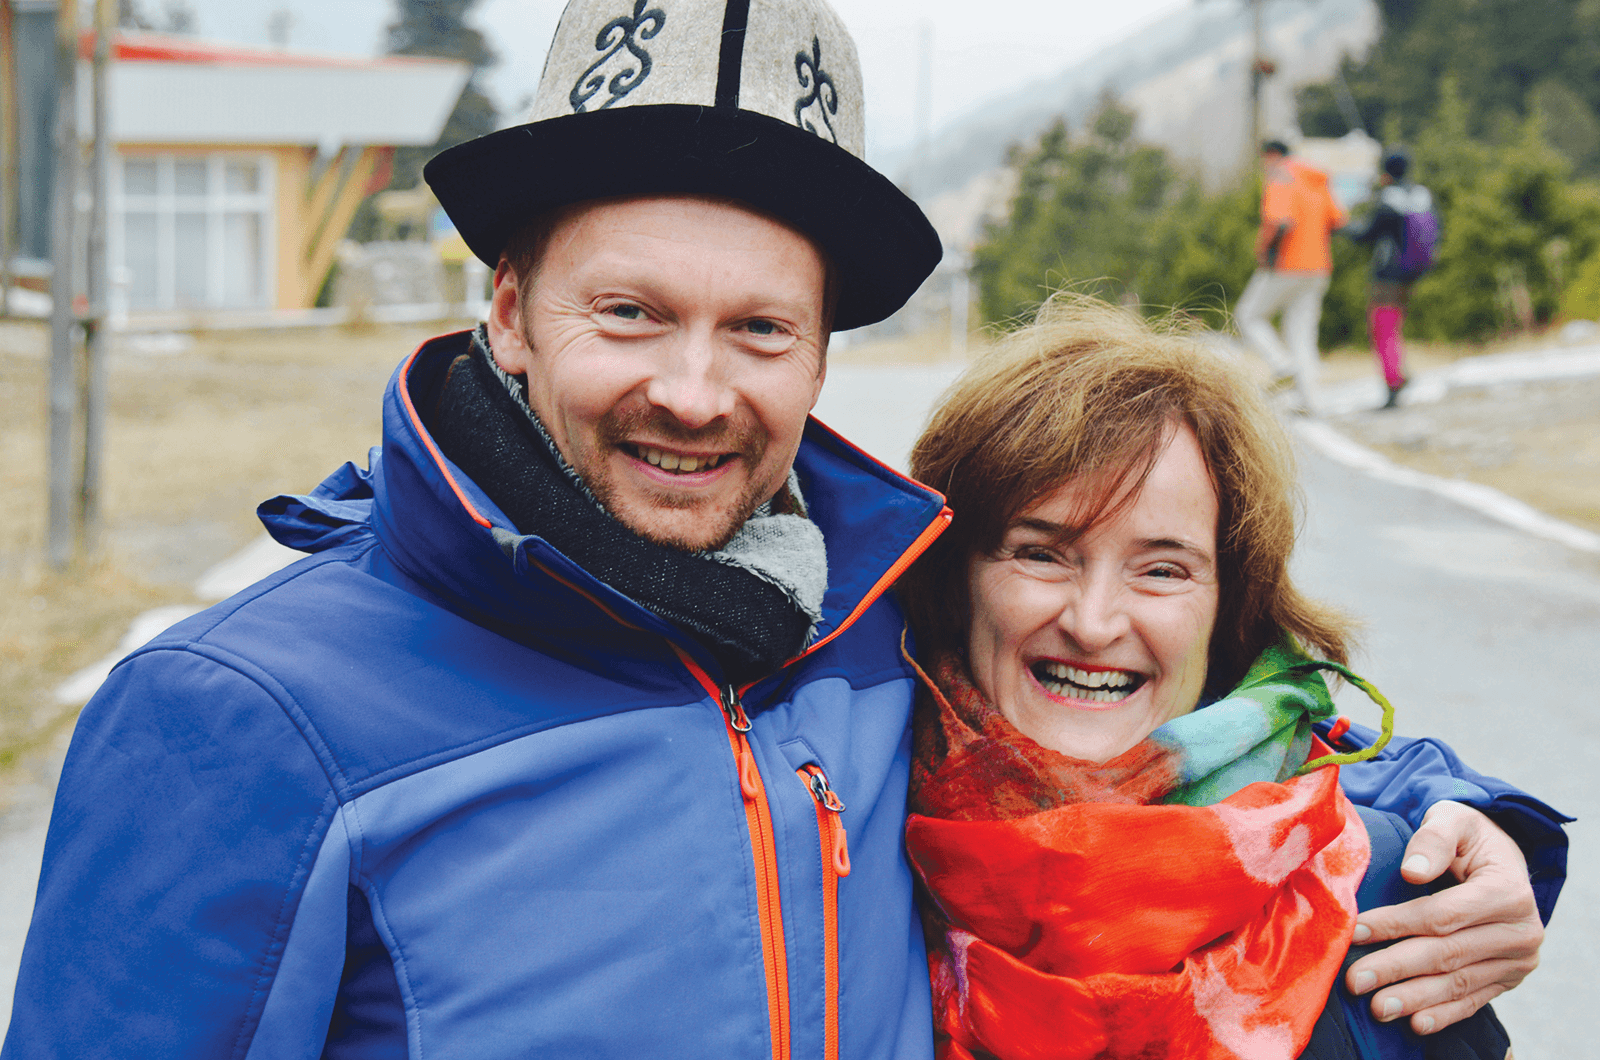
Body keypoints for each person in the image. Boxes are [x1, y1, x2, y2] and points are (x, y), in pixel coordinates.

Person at [1, 4, 1563, 1058]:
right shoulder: (245, 717)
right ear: (509, 312)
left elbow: (1189, 730)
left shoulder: (877, 625)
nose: (694, 389)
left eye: (759, 330)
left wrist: (1473, 835)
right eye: (630, 311)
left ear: (822, 361)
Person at [897, 297, 1566, 1059]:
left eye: (1161, 569)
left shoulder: (1378, 906)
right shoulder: (840, 831)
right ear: (956, 579)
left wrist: (1474, 819)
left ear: (1231, 613)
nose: (1093, 621)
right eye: (1040, 552)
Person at [1235, 139, 1347, 415]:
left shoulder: (1281, 174)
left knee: (1248, 315)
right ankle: (1311, 403)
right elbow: (1339, 220)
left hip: (1286, 263)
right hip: (1319, 266)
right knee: (1302, 334)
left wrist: (1265, 250)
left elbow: (1280, 220)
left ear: (1271, 155)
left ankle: (1281, 364)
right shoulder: (1317, 178)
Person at [1343, 149, 1437, 409]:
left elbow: (1366, 234)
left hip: (1388, 275)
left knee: (1382, 327)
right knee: (1394, 325)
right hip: (1413, 272)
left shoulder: (1389, 201)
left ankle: (1394, 382)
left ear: (1385, 173)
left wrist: (1341, 226)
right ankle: (1398, 374)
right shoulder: (1422, 195)